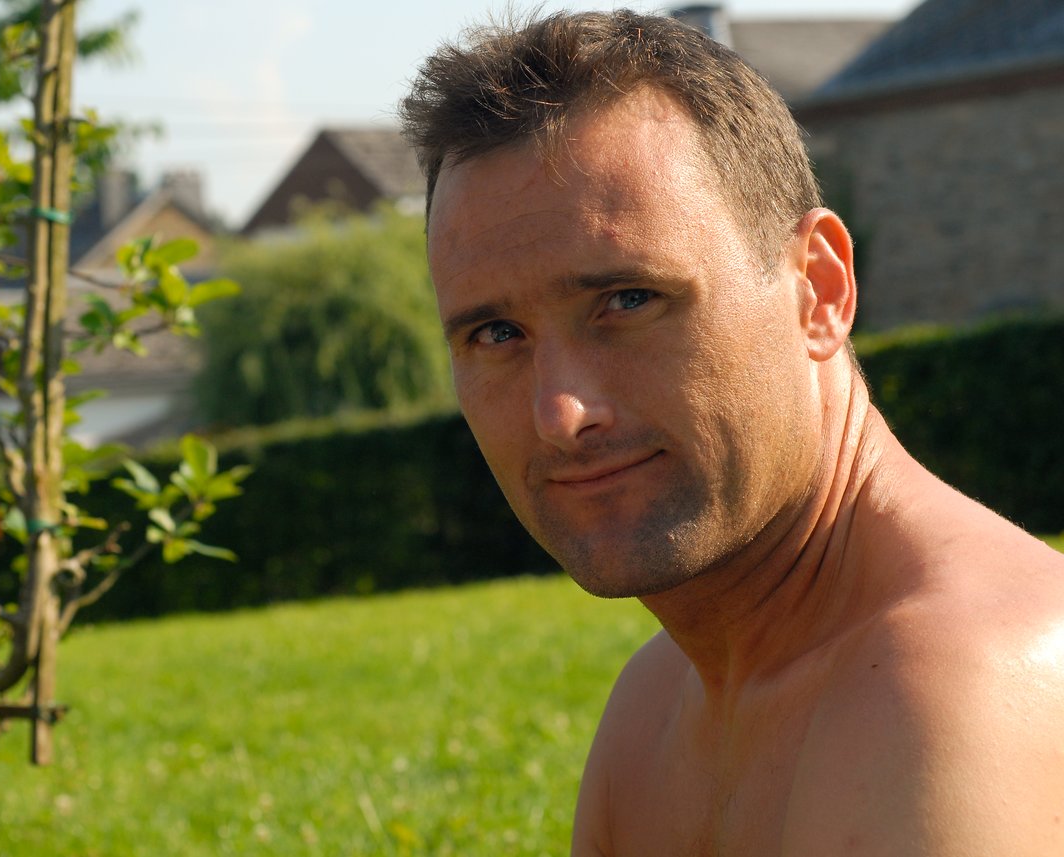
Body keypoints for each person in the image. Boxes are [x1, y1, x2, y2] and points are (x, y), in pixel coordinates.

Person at [401, 10, 1064, 856]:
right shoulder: (652, 706)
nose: (562, 413)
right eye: (496, 335)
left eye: (628, 301)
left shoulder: (953, 692)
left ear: (818, 289)